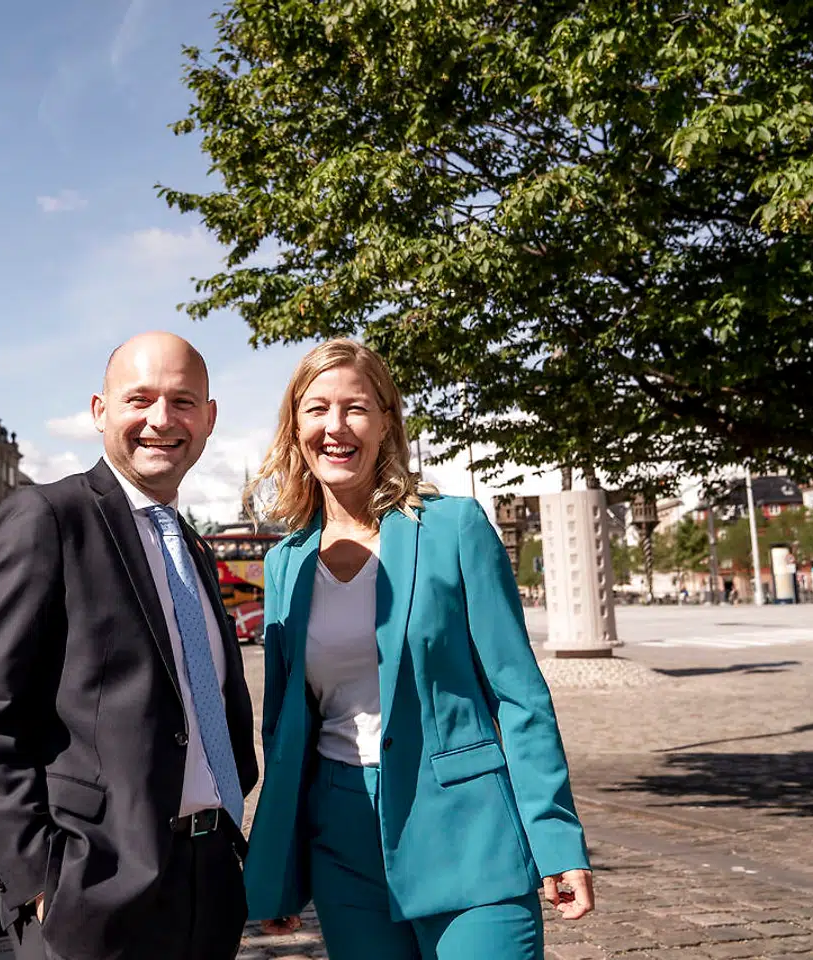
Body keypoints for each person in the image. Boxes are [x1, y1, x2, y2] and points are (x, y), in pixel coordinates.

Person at [244, 339, 594, 959]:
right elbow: (285, 730)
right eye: (317, 409)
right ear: (295, 428)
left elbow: (518, 695)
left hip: (470, 830)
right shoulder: (284, 563)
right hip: (342, 842)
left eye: (355, 408)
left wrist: (556, 836)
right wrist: (279, 867)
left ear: (385, 422)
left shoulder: (454, 527)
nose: (335, 426)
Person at [0, 332, 258, 960]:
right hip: (91, 893)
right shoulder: (47, 518)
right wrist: (39, 880)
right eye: (139, 399)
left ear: (209, 417)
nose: (161, 419)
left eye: (183, 402)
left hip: (209, 880)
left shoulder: (191, 546)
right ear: (99, 410)